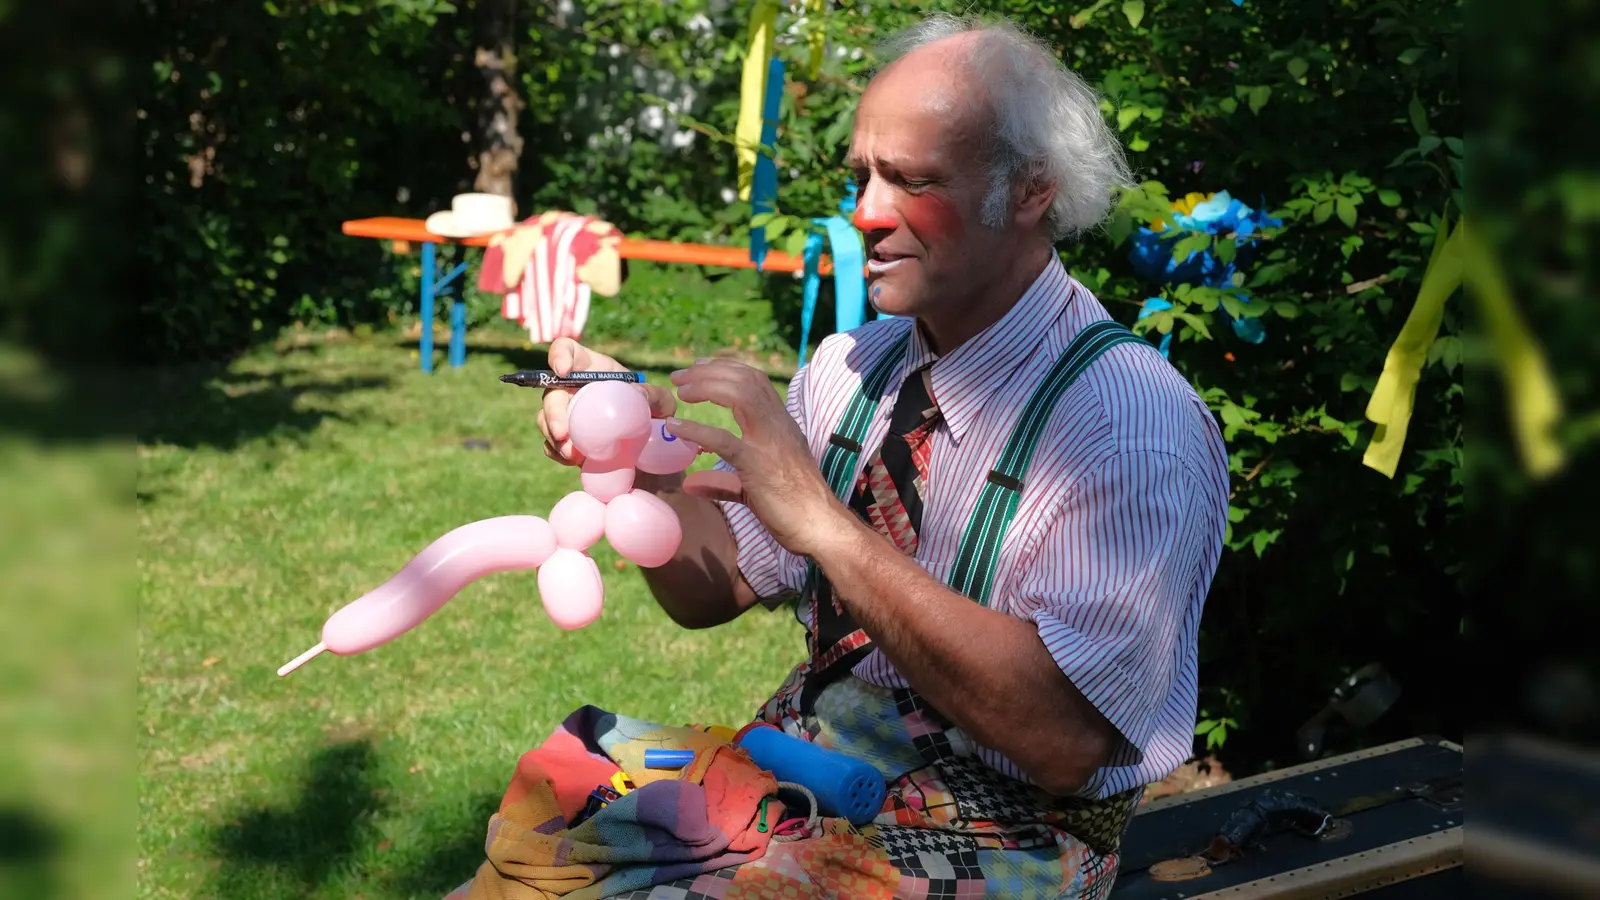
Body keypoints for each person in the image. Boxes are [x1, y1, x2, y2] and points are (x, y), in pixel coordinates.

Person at [530, 12, 1229, 899]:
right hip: (809, 780)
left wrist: (826, 527)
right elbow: (712, 591)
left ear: (1030, 191)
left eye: (914, 181)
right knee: (544, 838)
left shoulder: (1128, 423)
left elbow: (1064, 743)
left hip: (1015, 834)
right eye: (862, 175)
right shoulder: (851, 368)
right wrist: (638, 458)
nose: (865, 214)